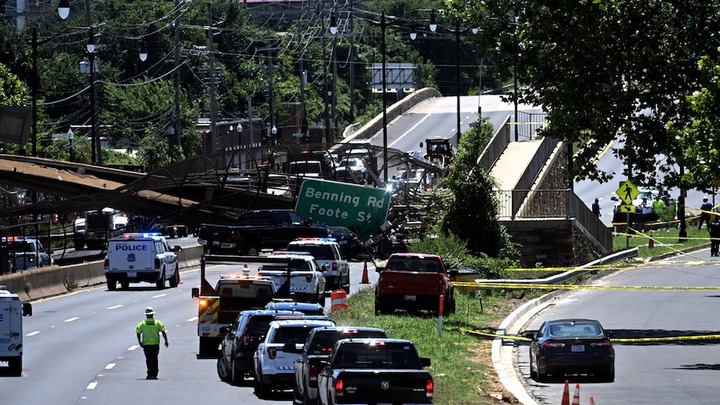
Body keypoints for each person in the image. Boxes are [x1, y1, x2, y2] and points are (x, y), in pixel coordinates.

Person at [136, 307, 168, 380]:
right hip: (155, 344)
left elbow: (138, 332)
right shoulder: (157, 323)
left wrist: (140, 342)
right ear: (153, 314)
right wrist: (166, 341)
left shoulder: (142, 323)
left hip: (146, 345)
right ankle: (154, 374)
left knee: (148, 359)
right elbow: (163, 332)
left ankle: (150, 373)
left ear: (146, 315)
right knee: (155, 359)